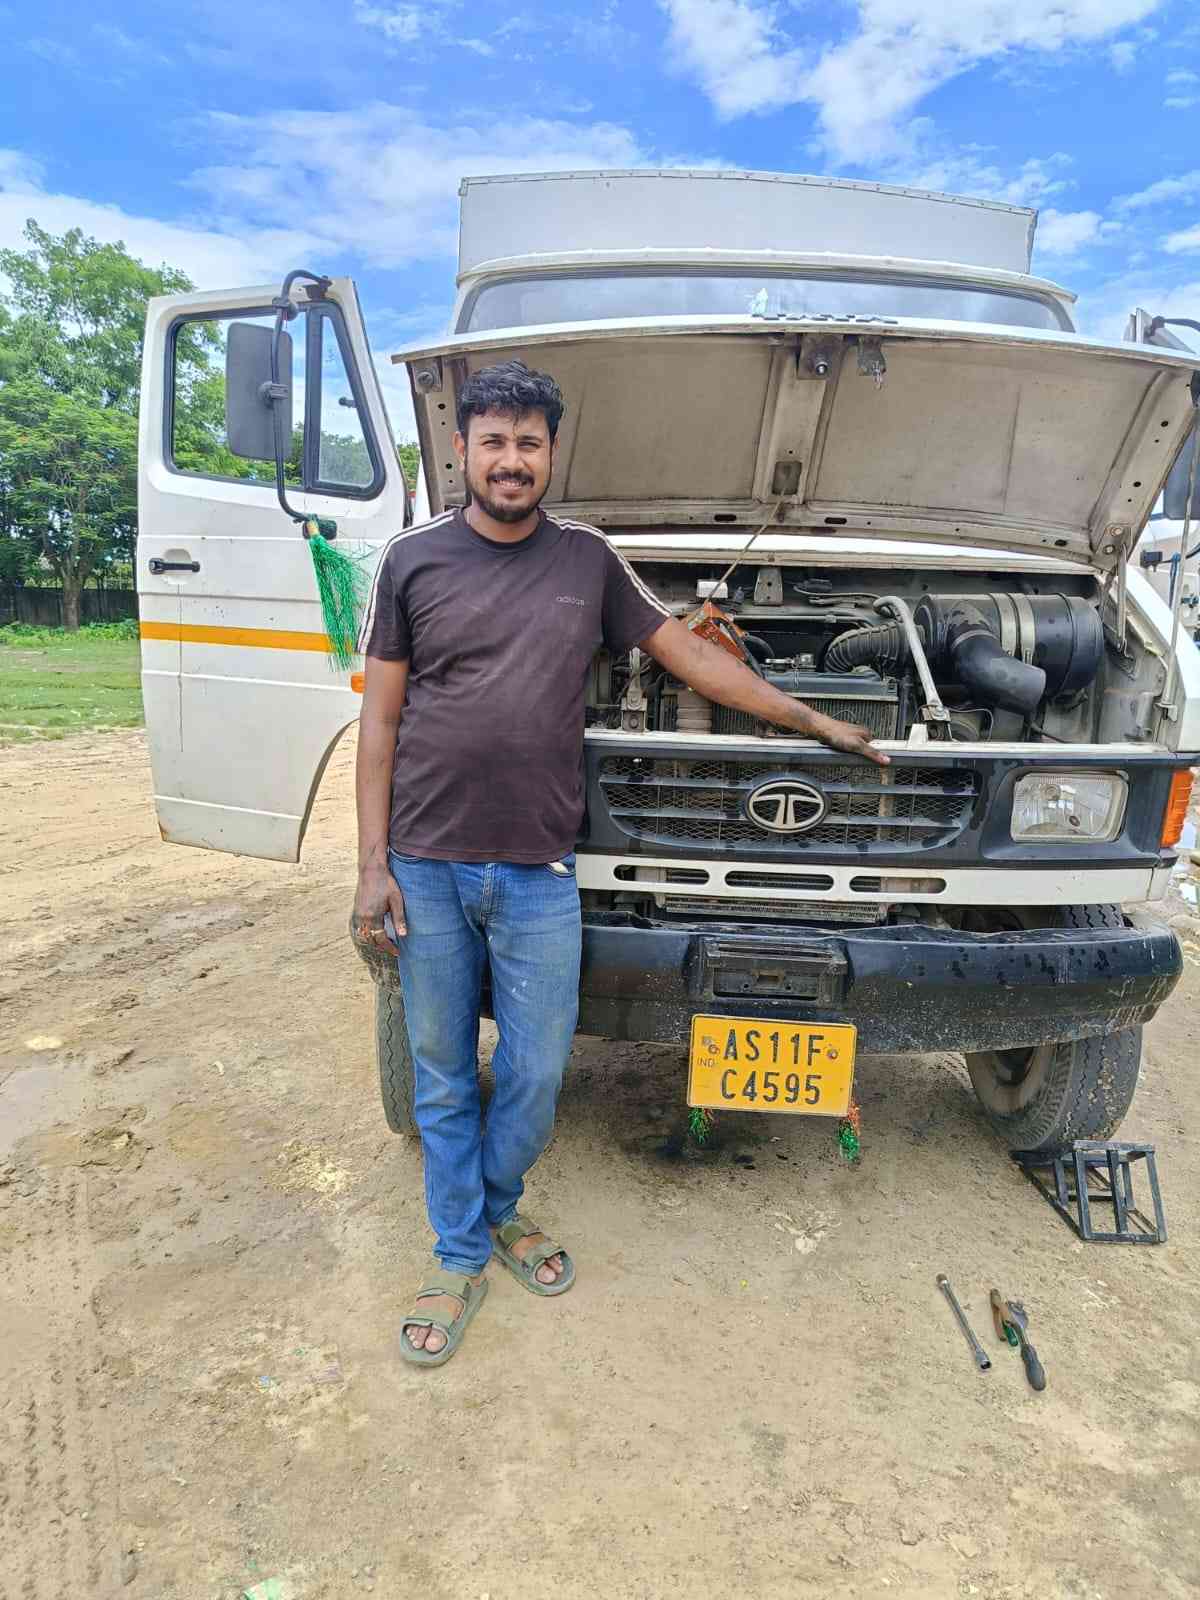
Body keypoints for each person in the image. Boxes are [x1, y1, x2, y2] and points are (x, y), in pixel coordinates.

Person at [352, 359, 887, 1366]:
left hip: (538, 874)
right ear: (462, 450)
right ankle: (460, 1249)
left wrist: (815, 720)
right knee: (441, 1070)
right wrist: (371, 865)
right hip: (425, 863)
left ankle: (497, 1206)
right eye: (494, 441)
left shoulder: (587, 558)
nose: (511, 460)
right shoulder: (411, 560)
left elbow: (694, 658)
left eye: (530, 442)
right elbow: (379, 721)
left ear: (552, 453)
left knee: (536, 1069)